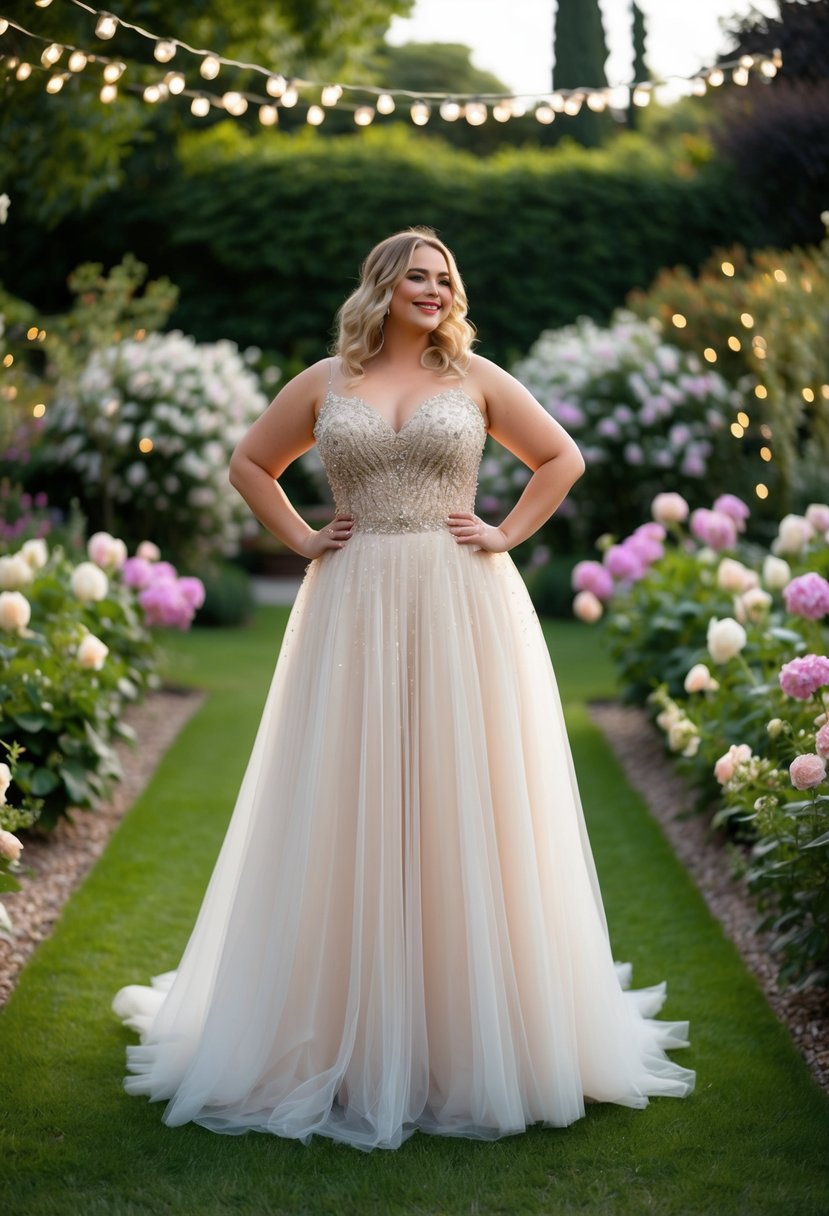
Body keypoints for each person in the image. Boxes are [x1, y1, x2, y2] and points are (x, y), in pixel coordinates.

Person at [113, 227, 694, 1150]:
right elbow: (248, 465)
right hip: (350, 604)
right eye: (417, 277)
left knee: (464, 801)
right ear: (381, 288)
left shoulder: (476, 378)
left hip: (461, 602)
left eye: (444, 277)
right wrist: (303, 538)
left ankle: (464, 1040)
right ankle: (341, 1031)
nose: (434, 290)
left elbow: (560, 459)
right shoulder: (324, 381)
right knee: (348, 801)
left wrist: (504, 532)